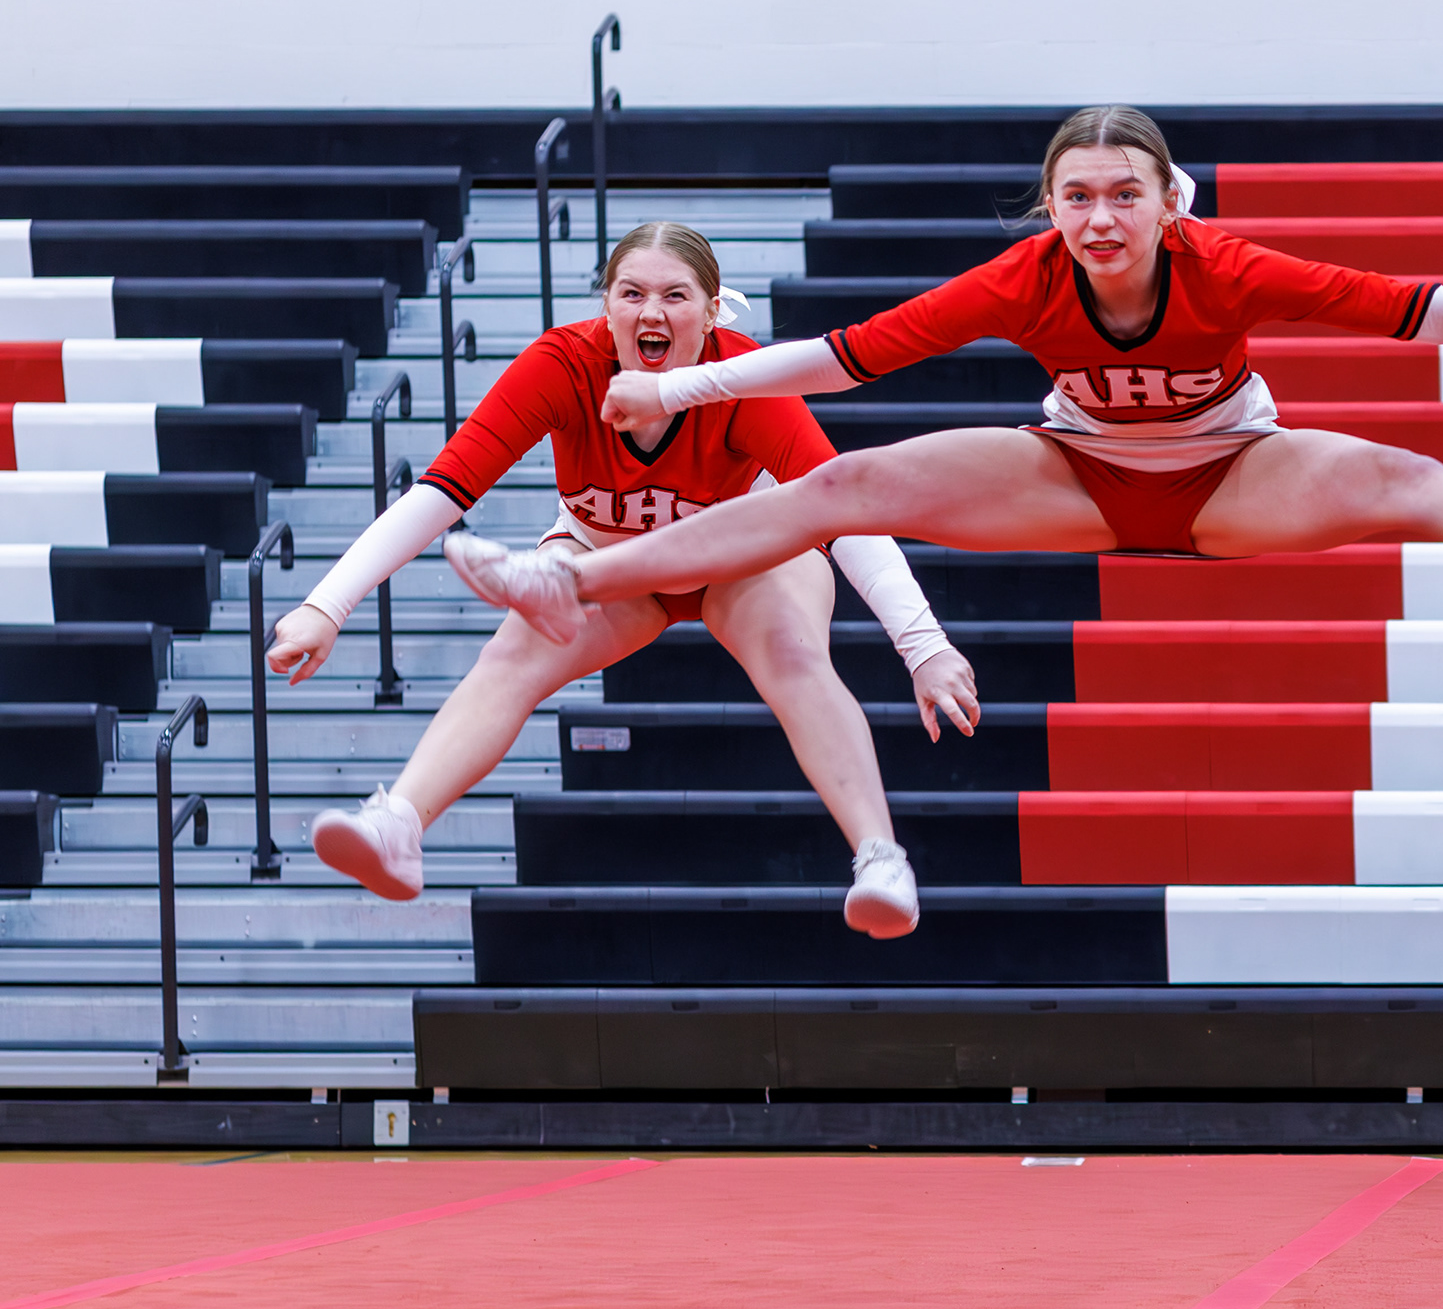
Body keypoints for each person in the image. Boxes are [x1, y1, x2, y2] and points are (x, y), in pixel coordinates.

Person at [443, 106, 1443, 650]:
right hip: (1073, 472)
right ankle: (573, 578)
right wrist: (680, 391)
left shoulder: (1225, 267)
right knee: (845, 486)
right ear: (1050, 207)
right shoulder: (1025, 278)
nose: (1100, 219)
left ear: (1170, 202)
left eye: (1123, 195)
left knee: (1409, 482)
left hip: (1232, 473)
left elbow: (1406, 309)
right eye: (1076, 197)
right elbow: (849, 357)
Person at [267, 223, 976, 938]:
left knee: (792, 655)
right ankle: (399, 825)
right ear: (606, 306)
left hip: (744, 560)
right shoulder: (563, 364)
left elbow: (847, 508)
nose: (651, 312)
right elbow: (445, 488)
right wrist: (328, 604)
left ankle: (881, 859)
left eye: (675, 296)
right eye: (631, 293)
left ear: (712, 311)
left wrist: (924, 646)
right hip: (609, 561)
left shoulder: (744, 375)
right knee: (511, 654)